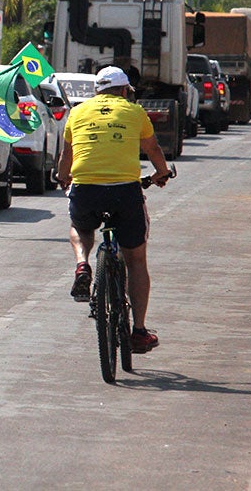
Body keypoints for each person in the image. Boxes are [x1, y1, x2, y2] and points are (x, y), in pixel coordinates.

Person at [55, 66, 172, 354]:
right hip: (124, 191)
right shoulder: (134, 112)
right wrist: (163, 172)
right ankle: (139, 331)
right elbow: (153, 148)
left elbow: (66, 156)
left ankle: (82, 264)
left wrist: (62, 179)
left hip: (86, 189)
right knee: (136, 259)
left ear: (97, 91)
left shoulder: (78, 113)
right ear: (124, 90)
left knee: (81, 228)